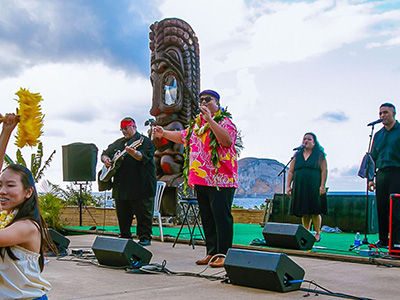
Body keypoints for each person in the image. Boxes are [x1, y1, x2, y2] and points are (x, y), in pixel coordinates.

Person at [152, 89, 238, 268]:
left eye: (209, 99)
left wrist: (210, 120)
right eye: (201, 100)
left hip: (221, 179)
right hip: (201, 179)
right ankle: (211, 252)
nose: (204, 102)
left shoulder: (226, 122)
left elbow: (227, 141)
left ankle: (224, 254)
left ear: (218, 103)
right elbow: (182, 136)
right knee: (207, 217)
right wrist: (164, 133)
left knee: (221, 217)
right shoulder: (196, 126)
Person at [0, 115, 54, 299]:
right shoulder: (6, 216)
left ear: (28, 192)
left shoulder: (28, 227)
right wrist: (6, 131)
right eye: (0, 185)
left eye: (11, 185)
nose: (3, 190)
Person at [101, 117, 156, 246]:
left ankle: (144, 238)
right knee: (123, 214)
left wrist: (133, 153)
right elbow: (104, 153)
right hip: (122, 186)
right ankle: (125, 236)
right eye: (122, 129)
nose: (124, 131)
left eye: (126, 128)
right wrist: (106, 160)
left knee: (143, 214)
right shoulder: (118, 143)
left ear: (134, 126)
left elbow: (143, 157)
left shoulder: (144, 142)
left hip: (142, 185)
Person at [369, 103, 400, 248]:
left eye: (385, 113)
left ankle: (396, 240)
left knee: (396, 207)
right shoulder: (378, 135)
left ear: (394, 113)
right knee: (381, 206)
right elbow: (372, 157)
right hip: (381, 173)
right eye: (380, 113)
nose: (382, 116)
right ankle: (382, 239)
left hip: (397, 172)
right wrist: (371, 178)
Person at [286, 132, 328, 242]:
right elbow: (290, 171)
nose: (306, 141)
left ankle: (318, 233)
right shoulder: (297, 155)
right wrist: (288, 186)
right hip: (300, 185)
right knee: (304, 210)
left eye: (309, 139)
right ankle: (306, 232)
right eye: (304, 139)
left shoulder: (319, 155)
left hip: (314, 185)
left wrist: (322, 185)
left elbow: (324, 170)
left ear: (314, 142)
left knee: (315, 210)